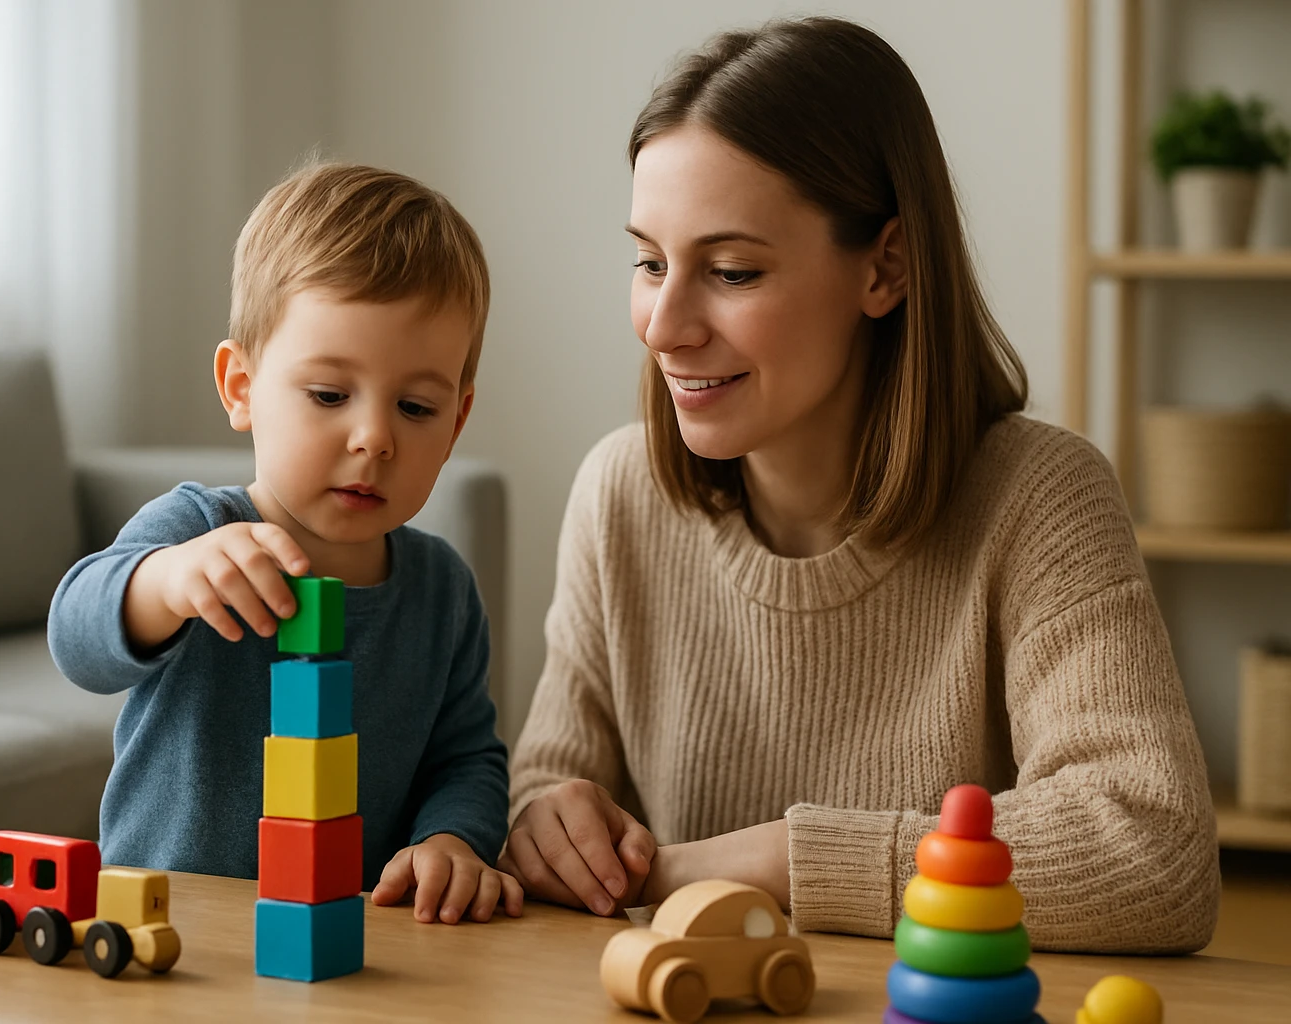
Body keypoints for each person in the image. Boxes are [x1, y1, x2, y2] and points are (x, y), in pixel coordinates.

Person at [502, 18, 1218, 953]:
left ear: (885, 267)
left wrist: (785, 864)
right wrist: (549, 823)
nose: (664, 325)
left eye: (730, 271)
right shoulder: (618, 495)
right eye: (648, 262)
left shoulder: (1043, 499)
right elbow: (541, 795)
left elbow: (1153, 854)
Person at [49, 162, 521, 925]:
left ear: (457, 422)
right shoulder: (197, 535)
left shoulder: (442, 590)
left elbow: (466, 758)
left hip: (348, 938)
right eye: (330, 395)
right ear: (241, 388)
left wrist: (454, 840)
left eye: (416, 406)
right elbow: (76, 637)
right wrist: (167, 582)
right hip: (170, 930)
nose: (373, 438)